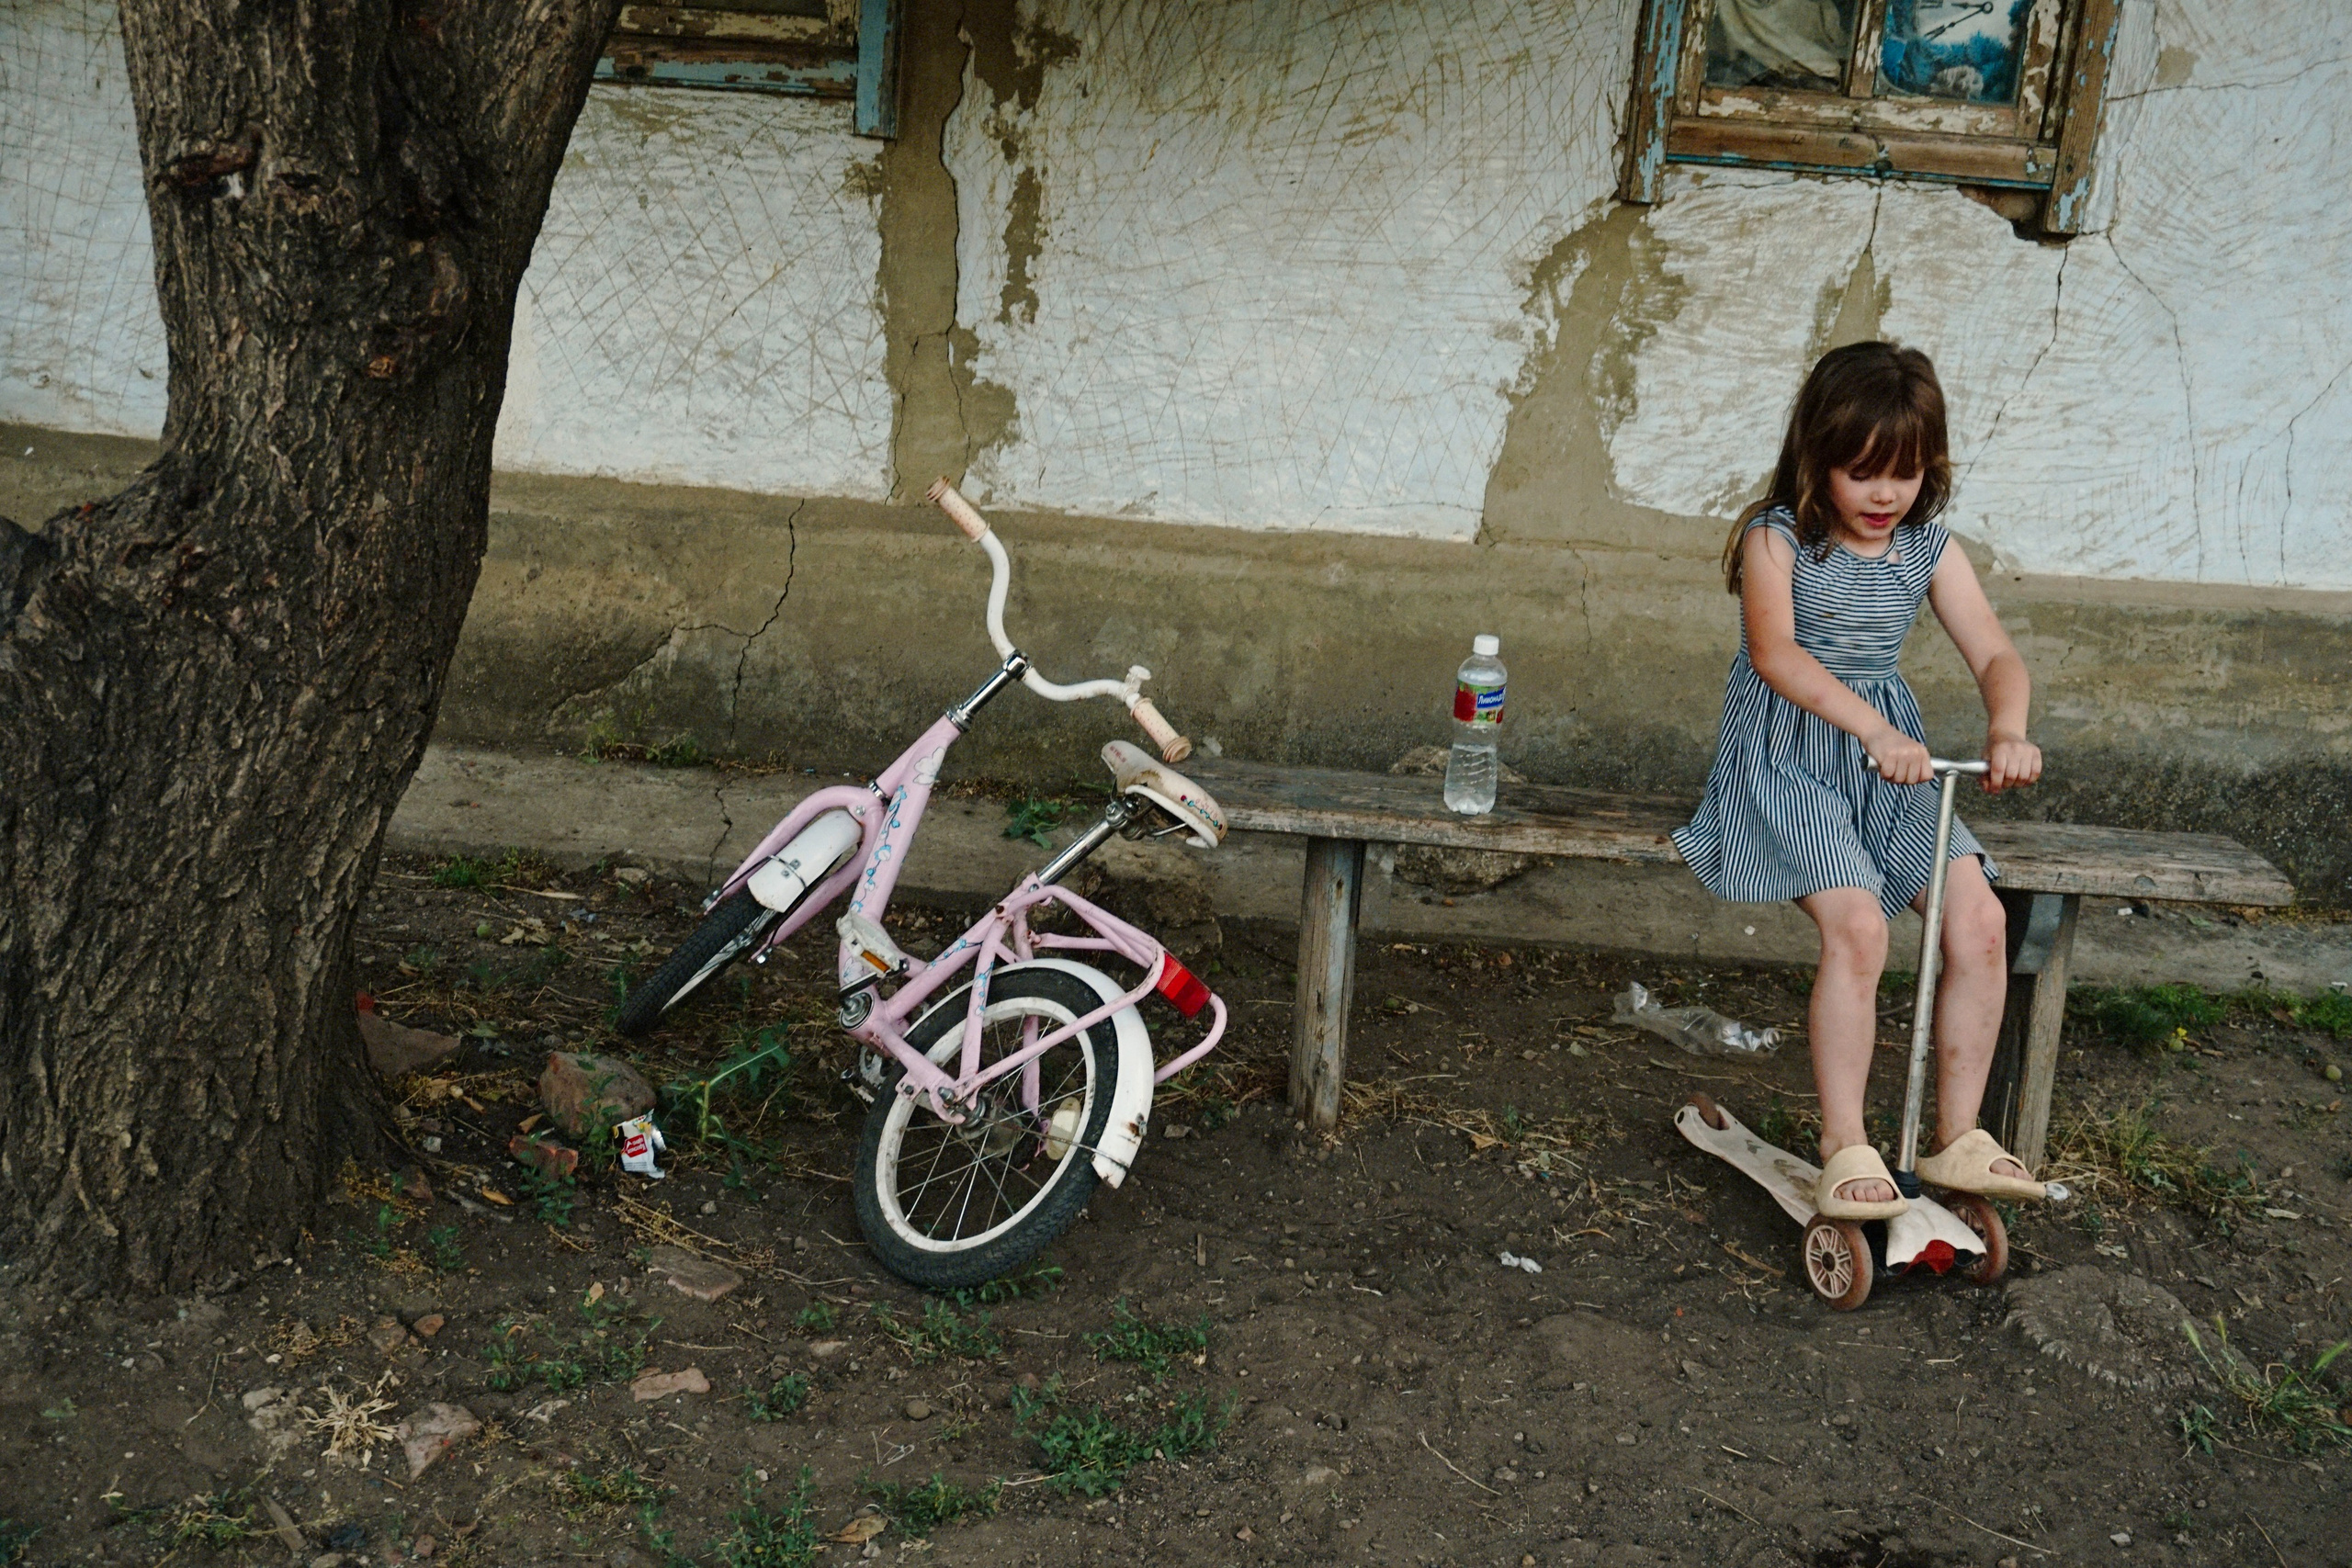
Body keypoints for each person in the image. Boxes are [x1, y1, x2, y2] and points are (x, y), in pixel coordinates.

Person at [1671, 342, 2046, 1220]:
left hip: (1887, 766)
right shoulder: (1777, 538)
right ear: (1818, 457)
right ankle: (1845, 1143)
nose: (1885, 495)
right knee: (1859, 926)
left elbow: (1996, 652)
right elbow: (1776, 654)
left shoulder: (1926, 548)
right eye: (1862, 472)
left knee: (1980, 920)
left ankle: (1957, 1135)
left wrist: (2007, 726)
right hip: (1787, 758)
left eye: (1905, 473)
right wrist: (1870, 726)